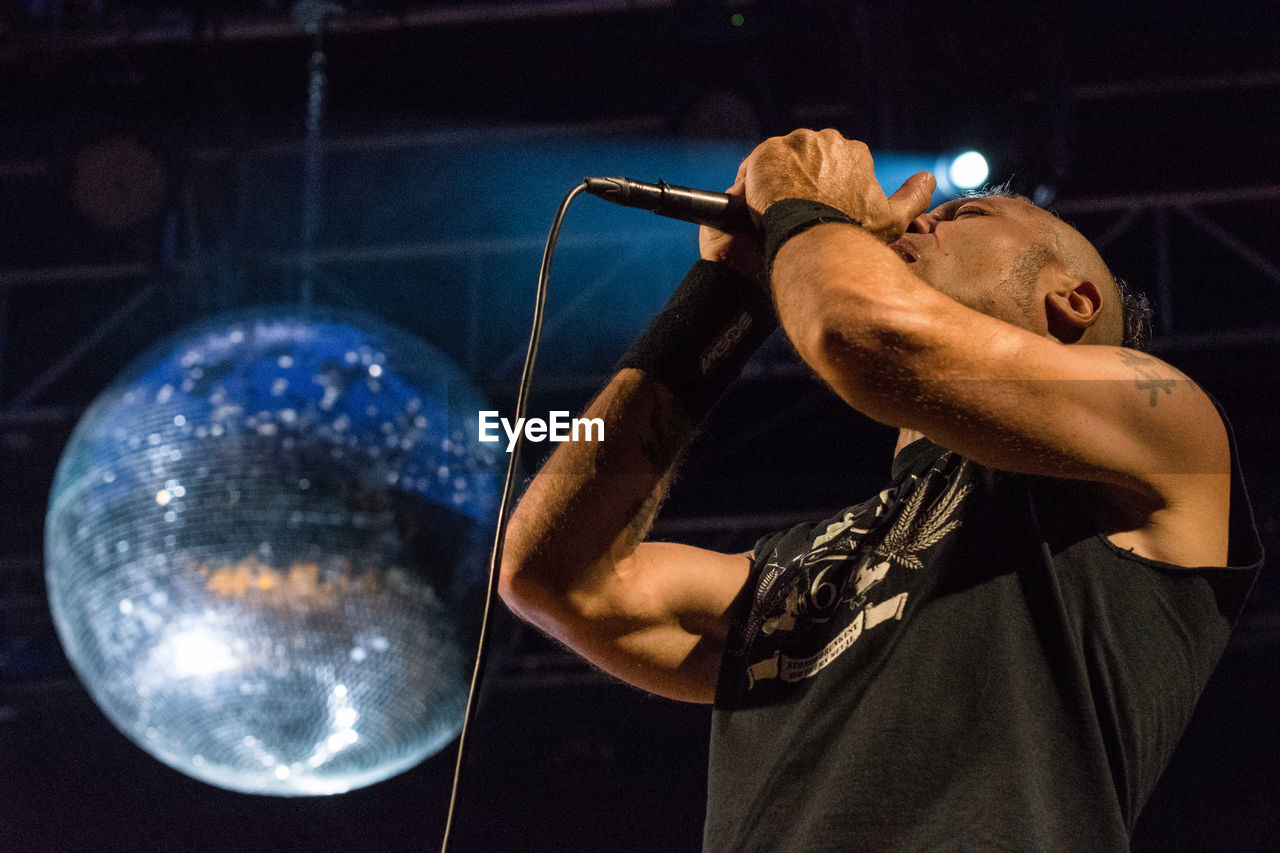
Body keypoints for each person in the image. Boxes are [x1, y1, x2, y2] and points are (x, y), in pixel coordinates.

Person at [496, 129, 1264, 850]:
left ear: (1072, 300)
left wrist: (802, 208)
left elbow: (860, 332)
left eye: (964, 213)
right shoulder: (798, 566)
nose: (919, 221)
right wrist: (725, 293)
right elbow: (556, 575)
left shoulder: (1166, 430)